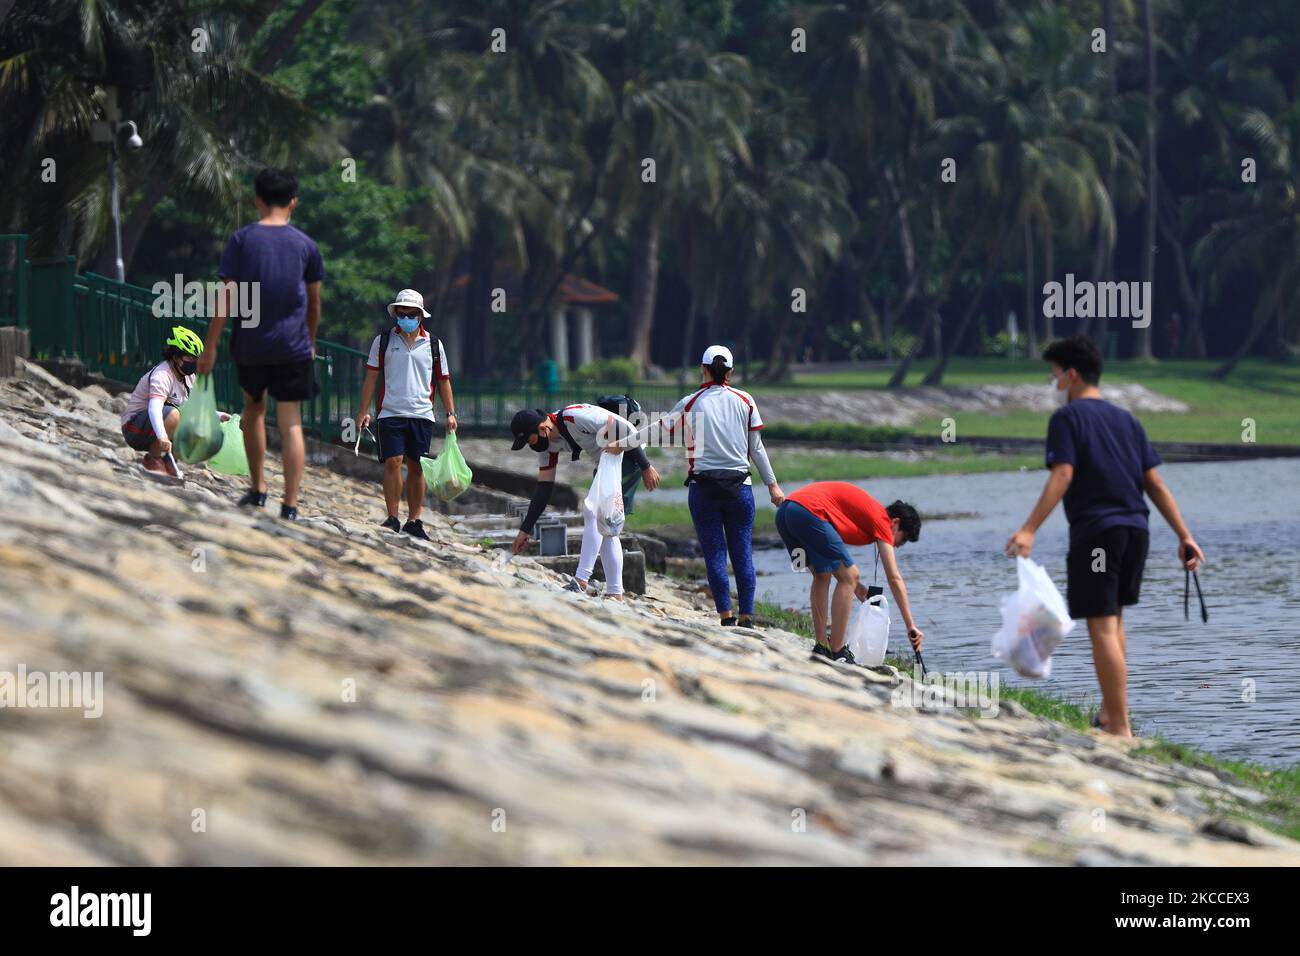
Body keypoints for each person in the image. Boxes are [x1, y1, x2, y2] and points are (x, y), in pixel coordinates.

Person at [1005, 335, 1204, 738]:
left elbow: (1063, 474)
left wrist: (1028, 529)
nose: (1054, 383)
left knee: (1101, 628)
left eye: (1055, 375)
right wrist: (1185, 535)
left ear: (1072, 375)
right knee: (1113, 624)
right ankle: (1112, 715)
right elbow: (1156, 484)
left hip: (1098, 534)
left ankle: (1121, 729)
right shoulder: (1127, 420)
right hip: (1136, 531)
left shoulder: (1067, 419)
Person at [197, 167, 324, 521]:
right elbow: (314, 304)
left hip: (251, 346)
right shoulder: (306, 246)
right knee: (291, 423)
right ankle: (291, 504)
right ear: (293, 203)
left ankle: (258, 488)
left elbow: (227, 295)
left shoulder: (242, 240)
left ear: (257, 200)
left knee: (253, 411)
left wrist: (210, 346)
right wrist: (309, 341)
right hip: (293, 347)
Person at [639, 345, 785, 627]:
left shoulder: (690, 402)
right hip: (740, 489)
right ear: (730, 372)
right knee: (742, 553)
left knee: (715, 554)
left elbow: (658, 429)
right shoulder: (746, 400)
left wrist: (625, 443)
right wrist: (773, 486)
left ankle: (726, 618)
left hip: (703, 491)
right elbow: (757, 449)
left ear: (702, 369)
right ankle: (747, 618)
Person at [508, 403, 660, 599]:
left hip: (628, 451)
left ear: (542, 428)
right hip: (606, 460)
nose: (532, 445)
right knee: (606, 525)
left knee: (593, 511)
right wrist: (525, 530)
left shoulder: (574, 417)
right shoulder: (548, 447)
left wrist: (646, 466)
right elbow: (544, 489)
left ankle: (581, 580)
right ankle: (615, 592)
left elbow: (622, 427)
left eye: (530, 440)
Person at [775, 481, 924, 664]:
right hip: (807, 512)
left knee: (822, 575)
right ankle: (838, 651)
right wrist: (911, 626)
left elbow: (832, 558)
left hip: (785, 513)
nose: (895, 546)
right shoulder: (883, 521)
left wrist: (857, 588)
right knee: (851, 576)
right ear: (896, 523)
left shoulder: (864, 518)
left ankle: (822, 646)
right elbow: (894, 578)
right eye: (902, 540)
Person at [355, 289, 457, 541]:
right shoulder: (383, 341)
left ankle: (414, 519)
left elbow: (443, 380)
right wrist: (362, 411)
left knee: (417, 466)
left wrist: (451, 413)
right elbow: (371, 376)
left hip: (423, 413)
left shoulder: (434, 344)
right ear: (396, 314)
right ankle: (392, 517)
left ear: (420, 316)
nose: (406, 318)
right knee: (393, 461)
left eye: (412, 314)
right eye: (402, 314)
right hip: (390, 411)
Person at [120, 326, 211, 480]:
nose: (194, 362)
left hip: (156, 426)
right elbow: (154, 408)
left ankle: (169, 461)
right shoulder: (162, 375)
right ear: (176, 357)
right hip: (134, 429)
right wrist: (162, 437)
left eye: (196, 358)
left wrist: (219, 416)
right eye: (189, 357)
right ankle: (153, 460)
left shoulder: (189, 377)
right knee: (174, 415)